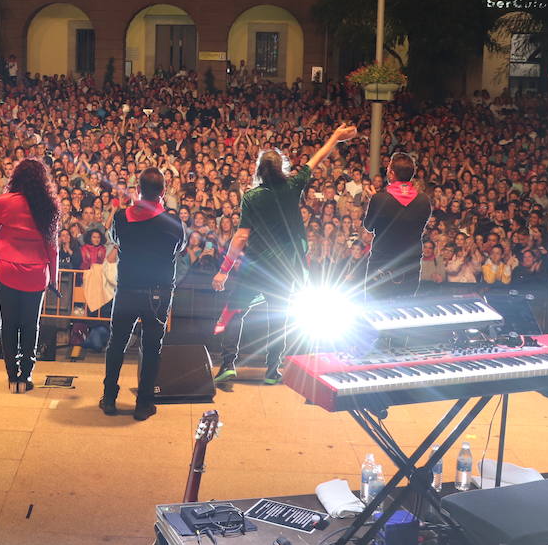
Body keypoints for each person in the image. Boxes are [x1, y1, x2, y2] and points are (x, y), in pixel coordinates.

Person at [212, 123, 357, 385]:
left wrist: (224, 269)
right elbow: (316, 159)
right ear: (282, 168)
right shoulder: (292, 187)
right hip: (283, 269)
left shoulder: (252, 196)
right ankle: (272, 370)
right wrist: (335, 136)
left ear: (259, 171)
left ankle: (227, 364)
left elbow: (242, 236)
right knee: (278, 317)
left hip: (254, 266)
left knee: (234, 311)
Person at [100, 168, 187, 420]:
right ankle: (144, 404)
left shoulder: (122, 218)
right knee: (151, 349)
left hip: (127, 289)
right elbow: (179, 248)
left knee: (116, 344)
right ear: (162, 192)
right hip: (157, 293)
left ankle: (109, 399)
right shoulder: (172, 222)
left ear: (138, 190)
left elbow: (114, 238)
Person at [0, 159, 60, 393]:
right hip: (36, 273)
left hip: (6, 269)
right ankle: (26, 376)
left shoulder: (5, 201)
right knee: (30, 325)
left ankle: (12, 376)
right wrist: (53, 279)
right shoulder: (49, 205)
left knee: (8, 323)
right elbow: (52, 247)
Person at [361, 152, 433, 298]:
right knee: (405, 308)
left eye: (388, 169)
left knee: (377, 309)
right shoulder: (424, 200)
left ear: (392, 174)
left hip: (382, 263)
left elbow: (369, 226)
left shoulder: (380, 198)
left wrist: (373, 201)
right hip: (410, 264)